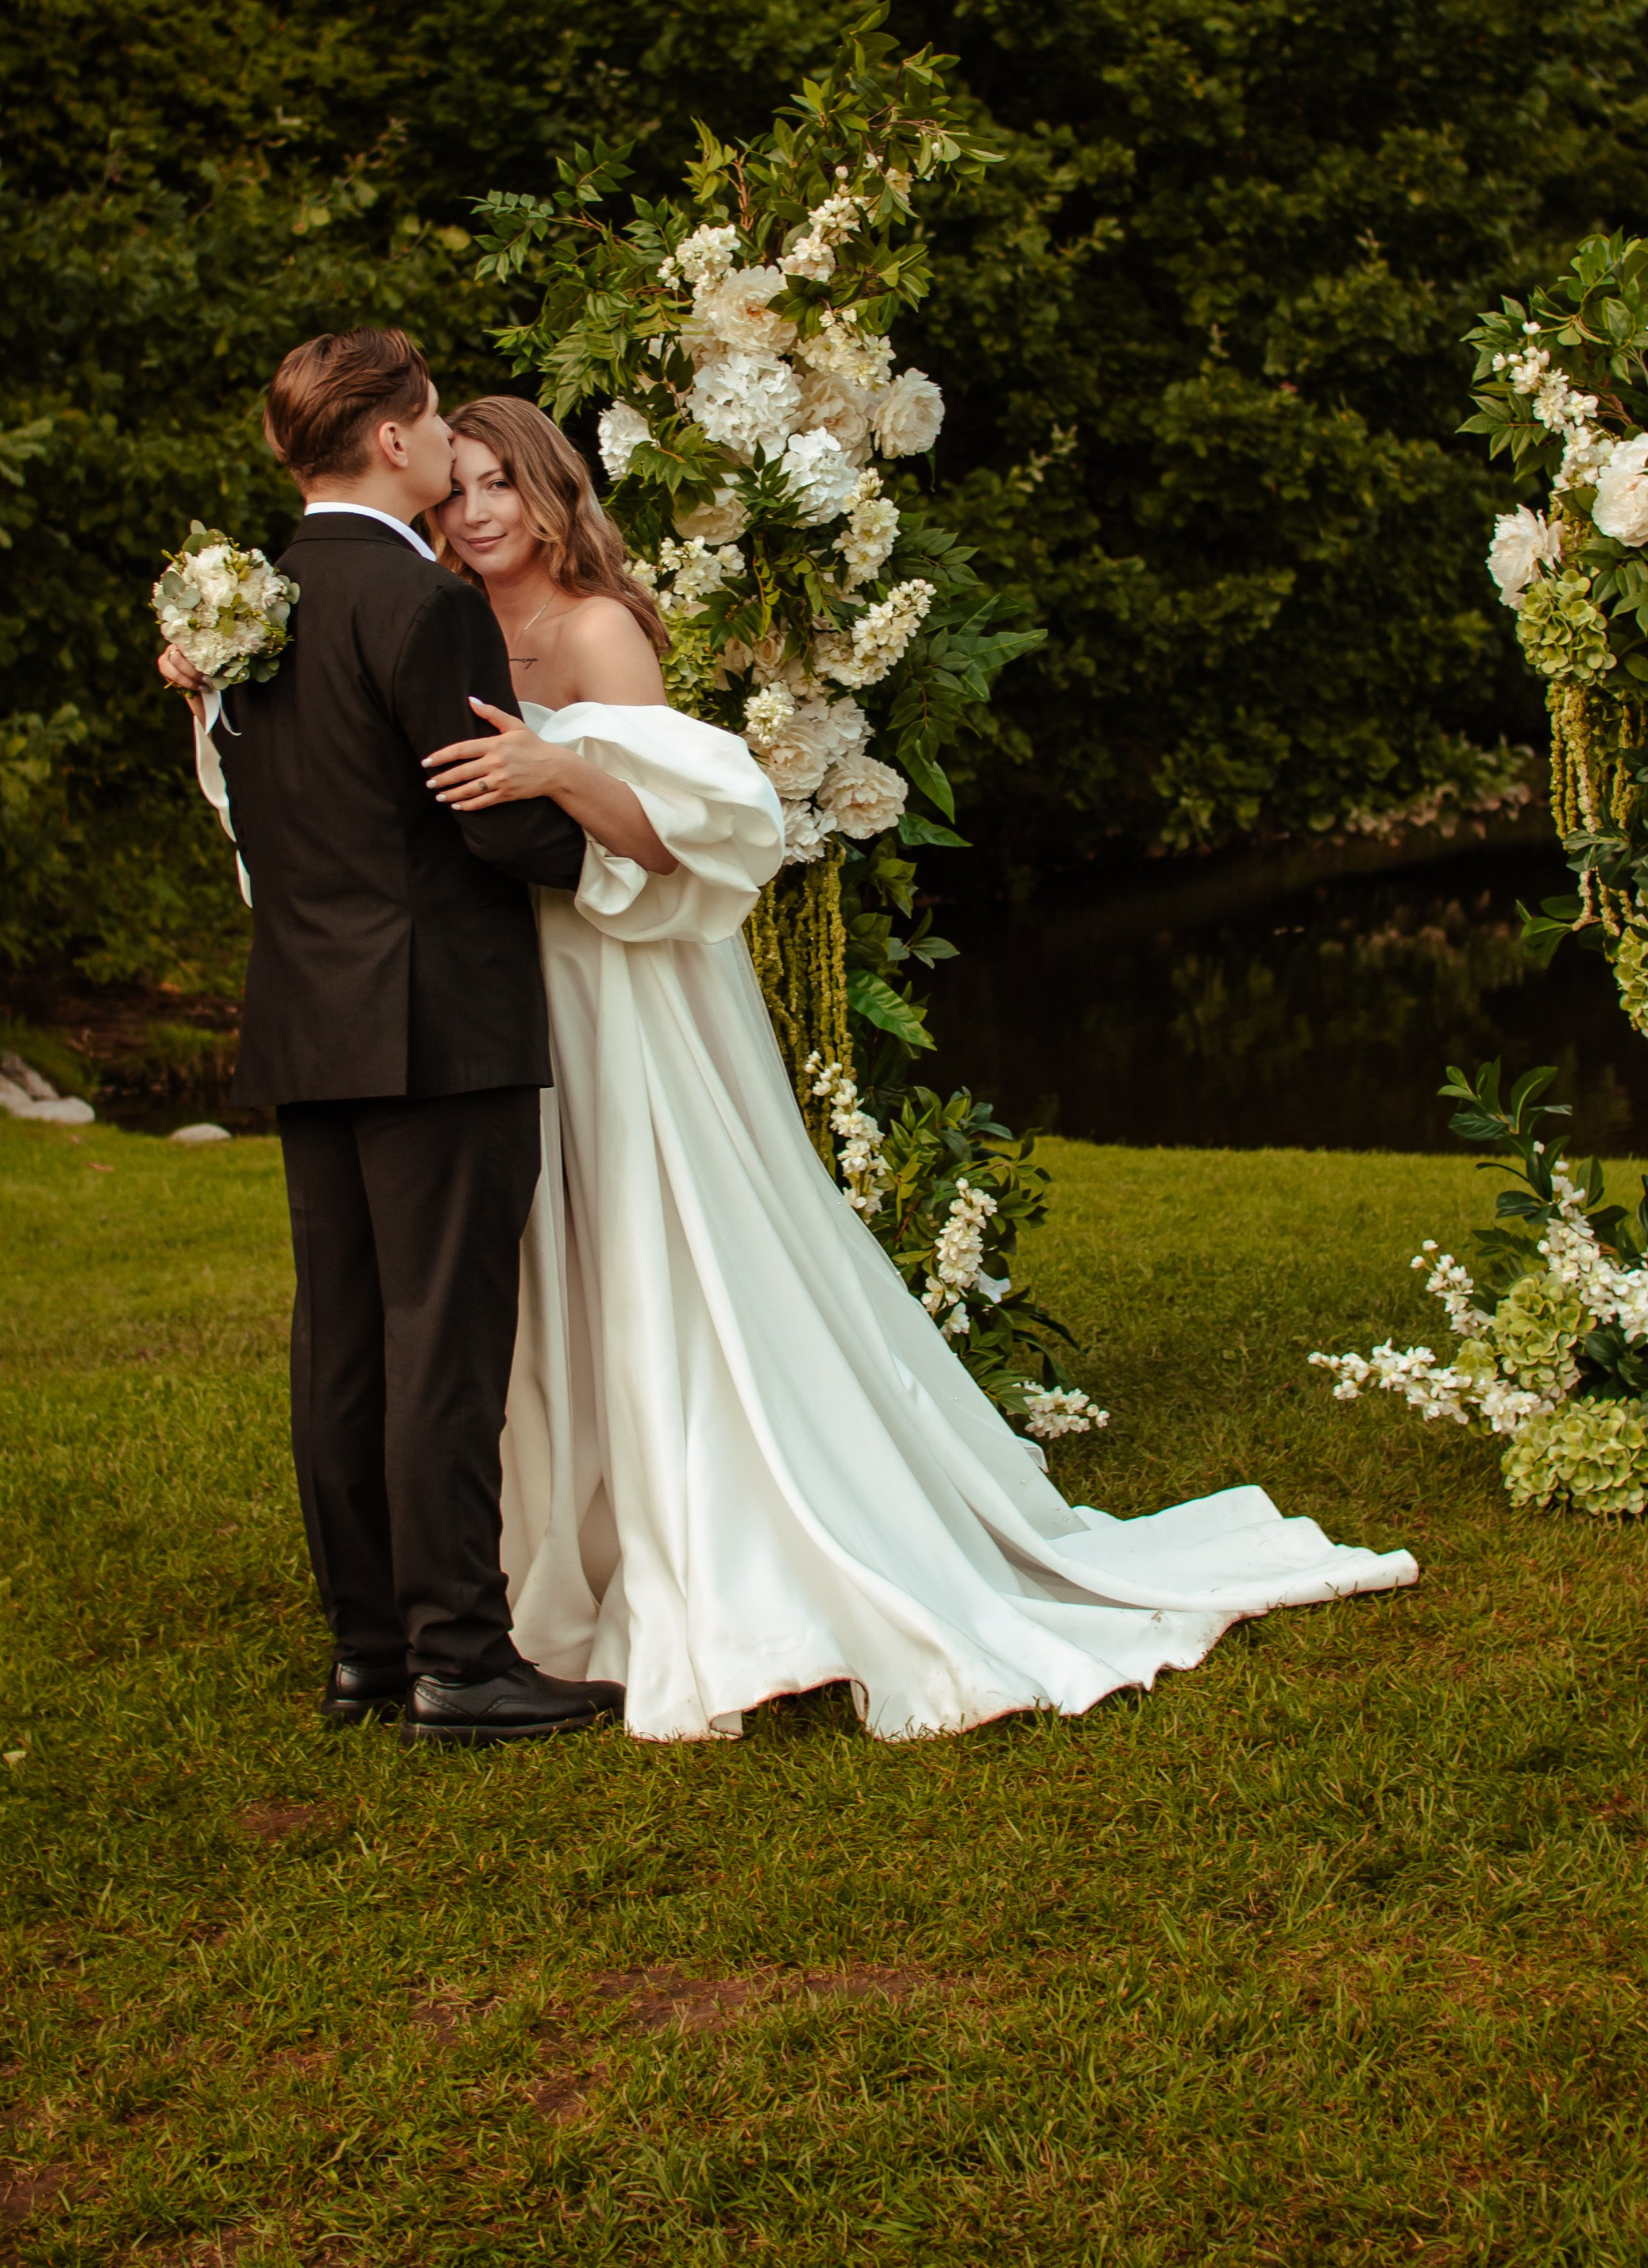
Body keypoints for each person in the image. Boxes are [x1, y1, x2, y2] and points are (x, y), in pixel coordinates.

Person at [418, 395, 1418, 1741]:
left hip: (635, 977)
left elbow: (677, 833)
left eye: (499, 486)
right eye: (457, 490)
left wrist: (553, 765)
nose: (476, 512)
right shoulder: (455, 624)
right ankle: (569, 1541)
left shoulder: (599, 628)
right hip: (529, 971)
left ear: (549, 493)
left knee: (668, 1232)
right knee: (561, 1244)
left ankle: (738, 1537)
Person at [158, 333, 675, 1749]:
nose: (450, 440)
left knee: (339, 1344)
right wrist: (611, 848)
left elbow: (269, 809)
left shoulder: (244, 607)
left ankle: (366, 1654)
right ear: (392, 441)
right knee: (442, 1347)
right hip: (439, 1022)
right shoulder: (421, 601)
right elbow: (494, 821)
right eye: (438, 418)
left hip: (306, 1013)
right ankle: (464, 1658)